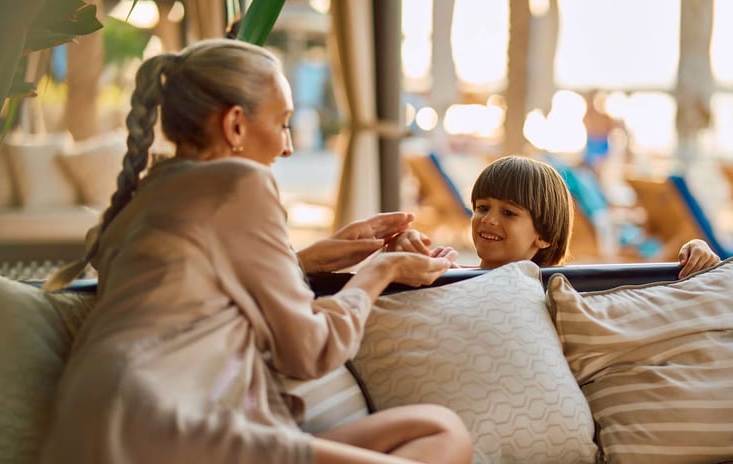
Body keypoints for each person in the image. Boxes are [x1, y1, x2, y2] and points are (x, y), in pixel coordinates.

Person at [40, 39, 473, 464]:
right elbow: (309, 351)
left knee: (437, 428)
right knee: (446, 438)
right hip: (168, 423)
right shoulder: (240, 182)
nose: (287, 146)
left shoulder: (146, 197)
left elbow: (193, 284)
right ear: (235, 126)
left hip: (100, 417)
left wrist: (304, 260)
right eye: (282, 122)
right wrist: (381, 270)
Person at [388, 155, 720, 279]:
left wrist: (695, 256)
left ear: (543, 235)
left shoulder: (560, 289)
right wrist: (402, 251)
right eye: (482, 207)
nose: (488, 219)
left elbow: (649, 295)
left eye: (508, 213)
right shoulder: (451, 273)